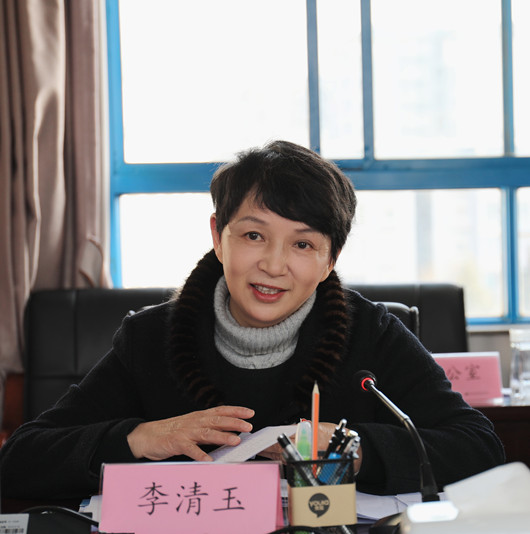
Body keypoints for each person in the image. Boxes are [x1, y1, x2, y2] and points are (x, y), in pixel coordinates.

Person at [0, 140, 504, 499]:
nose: (274, 265)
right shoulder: (150, 338)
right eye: (254, 236)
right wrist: (140, 438)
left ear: (330, 260)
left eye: (303, 244)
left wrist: (353, 449)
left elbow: (479, 448)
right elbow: (20, 460)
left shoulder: (372, 334)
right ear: (218, 236)